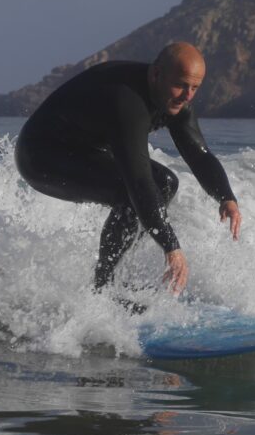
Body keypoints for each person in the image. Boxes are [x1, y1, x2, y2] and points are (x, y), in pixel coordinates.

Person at [15, 42, 241, 296]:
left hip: (81, 150)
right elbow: (138, 181)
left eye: (195, 88)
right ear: (156, 74)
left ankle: (116, 278)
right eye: (181, 85)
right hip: (42, 156)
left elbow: (198, 154)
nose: (187, 96)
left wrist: (226, 197)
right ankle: (103, 287)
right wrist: (172, 249)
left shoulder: (173, 96)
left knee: (165, 183)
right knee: (132, 192)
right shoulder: (127, 101)